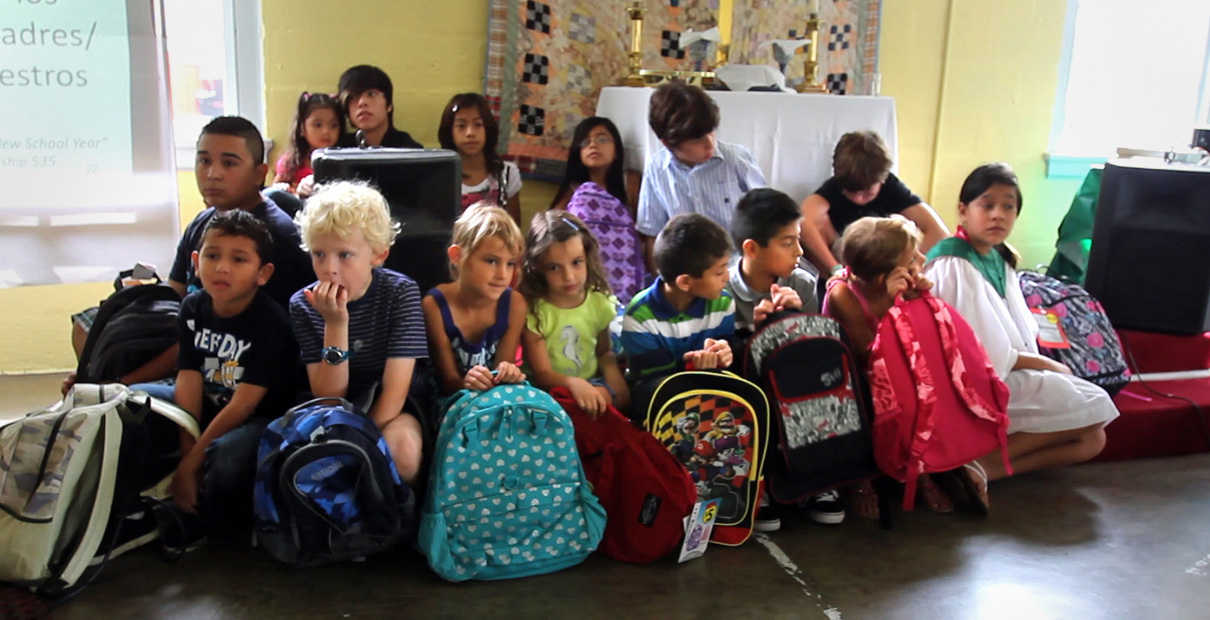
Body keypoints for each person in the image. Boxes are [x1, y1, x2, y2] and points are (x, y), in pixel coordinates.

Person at [64, 116, 313, 395]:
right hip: (191, 337)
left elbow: (205, 337)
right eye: (204, 161)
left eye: (229, 163)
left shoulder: (275, 238)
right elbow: (175, 302)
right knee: (92, 323)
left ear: (259, 173)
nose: (212, 174)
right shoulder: (203, 221)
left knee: (121, 400)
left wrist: (121, 383)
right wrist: (95, 366)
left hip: (230, 361)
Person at [924, 163, 1118, 484]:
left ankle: (986, 469)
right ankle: (978, 459)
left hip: (1011, 372)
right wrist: (1046, 365)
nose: (998, 214)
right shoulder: (953, 263)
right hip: (974, 385)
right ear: (963, 211)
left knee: (1093, 440)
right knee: (1097, 404)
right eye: (987, 205)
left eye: (1008, 206)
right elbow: (979, 354)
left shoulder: (998, 257)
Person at [153, 210, 298, 539]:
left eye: (239, 259)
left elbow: (243, 406)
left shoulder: (272, 323)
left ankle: (207, 525)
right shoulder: (192, 307)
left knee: (227, 458)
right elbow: (187, 377)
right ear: (195, 260)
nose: (222, 267)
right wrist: (188, 454)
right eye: (212, 255)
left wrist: (191, 465)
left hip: (257, 417)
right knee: (133, 404)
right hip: (208, 400)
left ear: (263, 273)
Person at [822, 215, 964, 517]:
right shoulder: (843, 294)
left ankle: (921, 468)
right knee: (870, 401)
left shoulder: (900, 285)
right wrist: (893, 305)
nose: (922, 260)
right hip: (850, 376)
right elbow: (867, 355)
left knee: (927, 389)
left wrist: (917, 301)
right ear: (879, 277)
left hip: (892, 365)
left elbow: (921, 338)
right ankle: (861, 478)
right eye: (912, 258)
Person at [290, 180, 428, 486]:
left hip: (391, 406)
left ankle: (400, 522)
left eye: (345, 255)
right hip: (337, 409)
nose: (329, 269)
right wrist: (335, 325)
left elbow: (395, 391)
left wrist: (358, 443)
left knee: (402, 453)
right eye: (319, 254)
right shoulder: (303, 305)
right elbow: (329, 397)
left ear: (378, 255)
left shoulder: (400, 293)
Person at [635, 81, 767, 274]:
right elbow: (653, 235)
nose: (709, 143)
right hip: (687, 275)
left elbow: (766, 220)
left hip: (738, 270)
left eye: (711, 131)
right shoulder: (657, 170)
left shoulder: (736, 160)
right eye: (697, 140)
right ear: (669, 143)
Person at [519, 211, 628, 416]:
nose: (568, 276)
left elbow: (603, 352)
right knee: (565, 406)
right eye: (554, 267)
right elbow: (542, 374)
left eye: (576, 262)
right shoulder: (535, 311)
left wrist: (614, 379)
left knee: (606, 398)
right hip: (549, 391)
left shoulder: (599, 303)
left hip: (591, 383)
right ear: (537, 267)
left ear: (587, 257)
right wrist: (574, 384)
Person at [800, 131, 949, 278]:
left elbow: (939, 232)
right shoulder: (836, 186)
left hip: (878, 258)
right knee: (815, 222)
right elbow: (804, 218)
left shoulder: (891, 187)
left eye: (866, 192)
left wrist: (911, 263)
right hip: (843, 255)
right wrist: (836, 268)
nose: (858, 199)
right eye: (850, 192)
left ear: (882, 179)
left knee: (905, 228)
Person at [421, 203, 527, 395]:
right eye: (491, 261)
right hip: (450, 403)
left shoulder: (514, 304)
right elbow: (448, 381)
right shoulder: (434, 305)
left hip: (494, 400)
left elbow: (502, 372)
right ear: (457, 256)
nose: (503, 274)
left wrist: (508, 373)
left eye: (510, 263)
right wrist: (468, 383)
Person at [621, 213, 736, 384]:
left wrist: (723, 355)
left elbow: (723, 361)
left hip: (708, 387)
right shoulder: (639, 316)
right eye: (719, 272)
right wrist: (695, 368)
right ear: (685, 282)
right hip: (658, 394)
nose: (727, 277)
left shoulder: (723, 303)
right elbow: (654, 382)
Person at [726, 188, 819, 336]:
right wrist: (759, 334)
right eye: (787, 243)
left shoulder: (803, 284)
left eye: (798, 239)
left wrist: (795, 317)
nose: (799, 251)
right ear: (751, 249)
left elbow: (813, 350)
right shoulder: (721, 292)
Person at [437, 93, 522, 224]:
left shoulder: (507, 174)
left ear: (488, 129)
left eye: (478, 124)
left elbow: (514, 229)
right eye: (461, 126)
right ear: (450, 132)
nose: (470, 133)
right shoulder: (440, 177)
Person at [550, 116, 637, 210]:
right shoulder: (573, 189)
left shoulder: (629, 182)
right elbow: (553, 221)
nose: (593, 145)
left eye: (602, 140)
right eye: (585, 142)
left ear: (616, 150)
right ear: (578, 153)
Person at [272, 92, 344, 196]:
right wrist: (287, 191)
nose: (326, 131)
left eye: (333, 125)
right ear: (301, 129)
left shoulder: (344, 162)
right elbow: (272, 195)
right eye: (318, 125)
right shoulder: (290, 163)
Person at [336, 65, 423, 149]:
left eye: (372, 94)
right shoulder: (338, 151)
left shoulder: (409, 151)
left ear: (389, 105)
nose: (362, 103)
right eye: (353, 97)